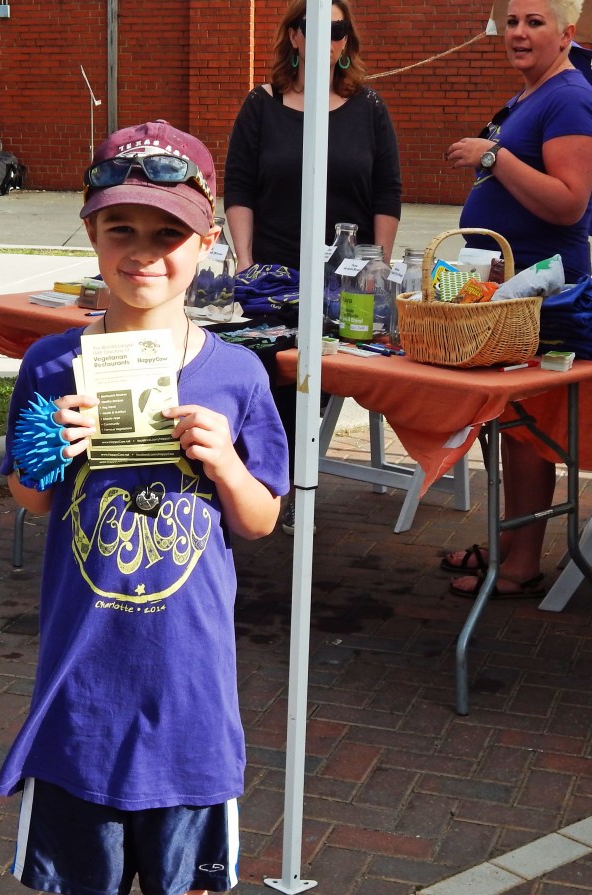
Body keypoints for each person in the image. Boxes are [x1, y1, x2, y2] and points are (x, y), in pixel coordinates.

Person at [0, 120, 289, 895]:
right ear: (90, 236)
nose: (144, 254)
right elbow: (28, 496)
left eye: (167, 234)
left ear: (205, 245)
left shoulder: (236, 373)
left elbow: (262, 516)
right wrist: (56, 443)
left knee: (181, 883)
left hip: (189, 684)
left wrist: (228, 465)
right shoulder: (54, 361)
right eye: (121, 230)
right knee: (88, 885)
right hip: (85, 679)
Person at [442, 0, 592, 598]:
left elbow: (568, 202)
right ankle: (509, 542)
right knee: (510, 421)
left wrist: (493, 155)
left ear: (568, 33)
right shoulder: (530, 98)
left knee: (528, 427)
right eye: (511, 22)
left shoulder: (570, 98)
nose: (518, 33)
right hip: (508, 292)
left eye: (534, 22)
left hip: (542, 293)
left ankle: (522, 562)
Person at [224, 0, 402, 533]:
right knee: (263, 366)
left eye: (338, 29)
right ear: (295, 37)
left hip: (343, 280)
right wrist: (247, 260)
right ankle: (265, 485)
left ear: (346, 43)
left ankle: (278, 486)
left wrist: (378, 266)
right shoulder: (262, 104)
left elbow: (387, 192)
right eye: (313, 26)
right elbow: (239, 186)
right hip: (274, 277)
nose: (326, 36)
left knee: (312, 373)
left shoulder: (368, 107)